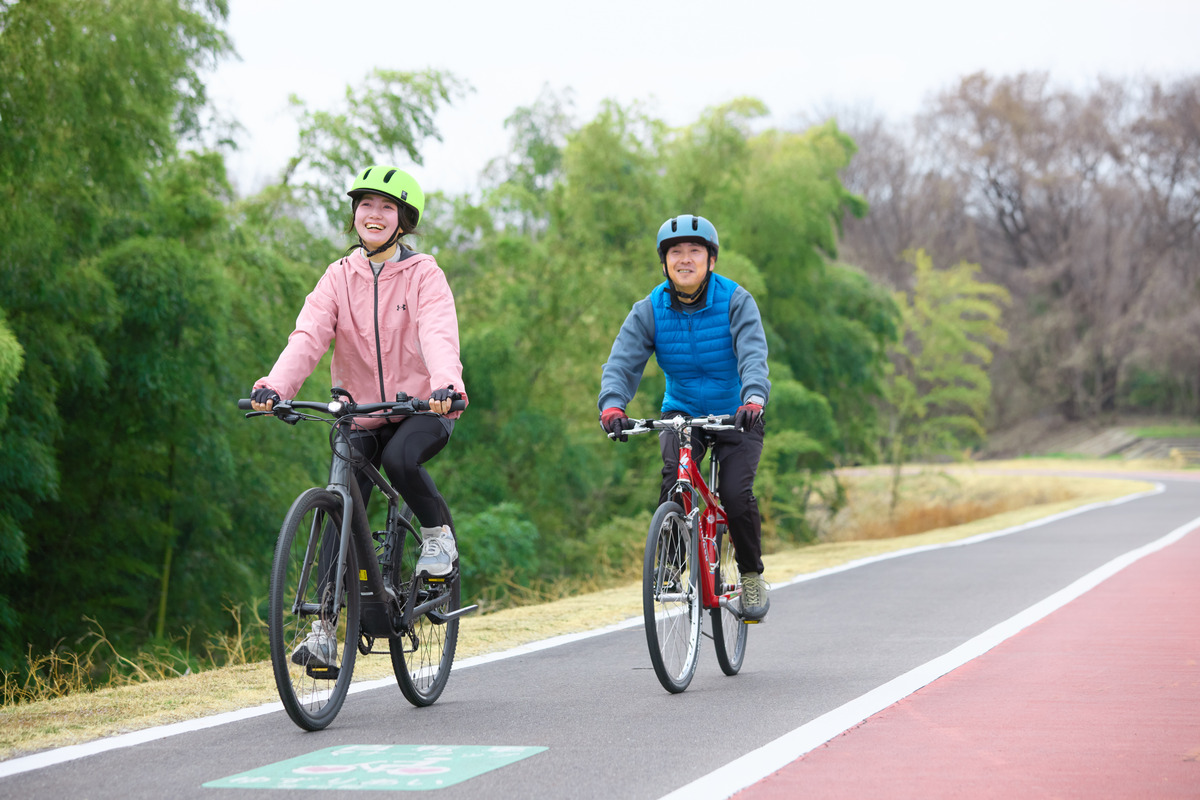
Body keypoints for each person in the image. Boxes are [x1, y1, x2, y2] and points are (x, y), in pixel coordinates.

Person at [250, 165, 467, 665]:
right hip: (360, 411)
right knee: (339, 503)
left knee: (401, 459)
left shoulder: (424, 275)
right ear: (354, 214)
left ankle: (437, 538)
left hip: (422, 406)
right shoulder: (338, 277)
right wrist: (275, 386)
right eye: (366, 204)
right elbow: (308, 336)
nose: (374, 214)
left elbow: (437, 333)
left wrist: (445, 386)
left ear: (403, 221)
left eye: (387, 207)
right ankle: (325, 630)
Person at [598, 214, 771, 621]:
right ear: (665, 263)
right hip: (682, 411)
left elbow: (752, 354)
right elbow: (622, 362)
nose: (685, 259)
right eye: (676, 252)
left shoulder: (735, 300)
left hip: (737, 412)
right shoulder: (649, 310)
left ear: (711, 260)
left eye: (695, 250)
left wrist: (753, 398)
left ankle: (750, 574)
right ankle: (672, 567)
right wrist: (613, 405)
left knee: (734, 494)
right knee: (675, 478)